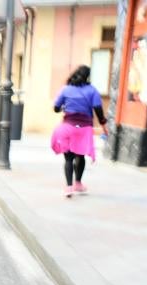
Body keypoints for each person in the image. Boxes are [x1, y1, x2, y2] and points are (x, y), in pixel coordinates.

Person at [51, 65, 108, 198]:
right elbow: (98, 110)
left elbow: (56, 108)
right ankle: (78, 183)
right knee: (80, 156)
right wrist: (103, 124)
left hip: (68, 127)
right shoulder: (92, 90)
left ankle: (69, 187)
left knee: (68, 158)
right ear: (87, 77)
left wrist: (63, 107)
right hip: (84, 128)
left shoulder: (66, 89)